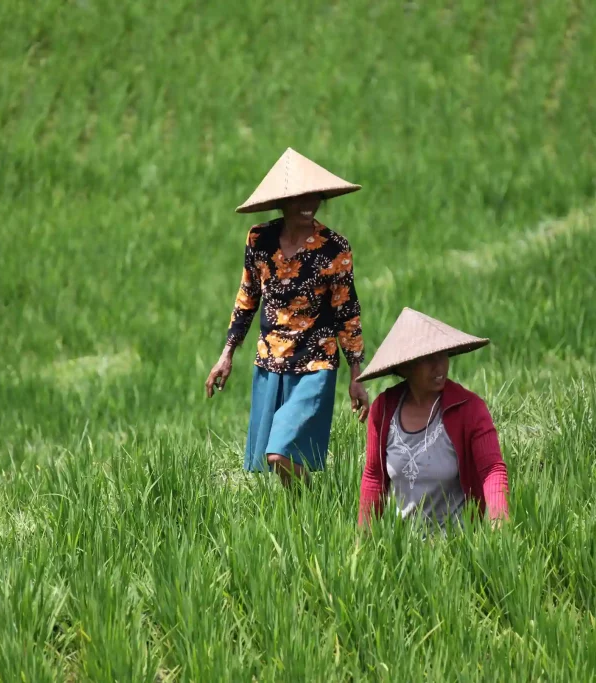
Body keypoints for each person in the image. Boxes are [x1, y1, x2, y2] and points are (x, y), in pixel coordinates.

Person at [206, 148, 370, 488]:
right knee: (278, 457)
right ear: (282, 201)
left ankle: (314, 500)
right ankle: (304, 510)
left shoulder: (334, 248)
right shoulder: (260, 239)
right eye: (299, 198)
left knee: (279, 453)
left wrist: (357, 373)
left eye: (314, 196)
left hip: (316, 362)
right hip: (270, 361)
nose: (308, 204)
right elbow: (247, 296)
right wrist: (227, 354)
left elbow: (347, 311)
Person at [356, 307, 509, 530]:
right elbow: (374, 478)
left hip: (457, 541)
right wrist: (363, 541)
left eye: (443, 355)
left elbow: (492, 469)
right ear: (405, 367)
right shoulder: (384, 409)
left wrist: (499, 522)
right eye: (428, 359)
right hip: (400, 546)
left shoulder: (469, 409)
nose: (439, 366)